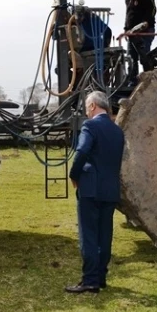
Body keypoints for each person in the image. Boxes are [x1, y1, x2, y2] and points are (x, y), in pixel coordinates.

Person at [65, 90, 125, 294]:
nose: (86, 111)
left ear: (92, 106)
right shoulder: (118, 131)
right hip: (110, 190)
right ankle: (100, 277)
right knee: (104, 234)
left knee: (89, 235)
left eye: (86, 107)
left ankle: (90, 280)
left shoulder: (90, 125)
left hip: (91, 189)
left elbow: (82, 151)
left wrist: (74, 175)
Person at [117, 0, 157, 86]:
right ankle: (133, 81)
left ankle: (148, 80)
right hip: (132, 33)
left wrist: (146, 22)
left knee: (144, 56)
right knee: (131, 57)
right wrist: (126, 29)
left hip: (145, 31)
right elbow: (129, 15)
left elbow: (152, 9)